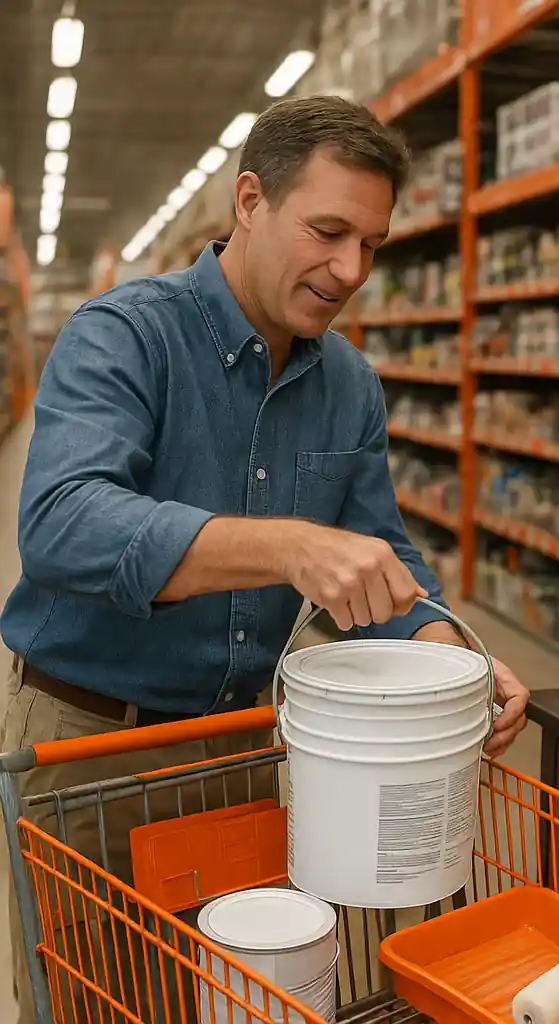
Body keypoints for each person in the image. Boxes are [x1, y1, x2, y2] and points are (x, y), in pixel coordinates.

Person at [0, 95, 529, 1023]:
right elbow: (60, 522)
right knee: (97, 999)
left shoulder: (349, 384)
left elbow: (382, 557)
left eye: (372, 244)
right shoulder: (125, 335)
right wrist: (286, 545)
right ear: (250, 200)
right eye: (328, 232)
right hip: (88, 745)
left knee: (235, 999)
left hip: (241, 748)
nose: (350, 270)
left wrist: (455, 652)